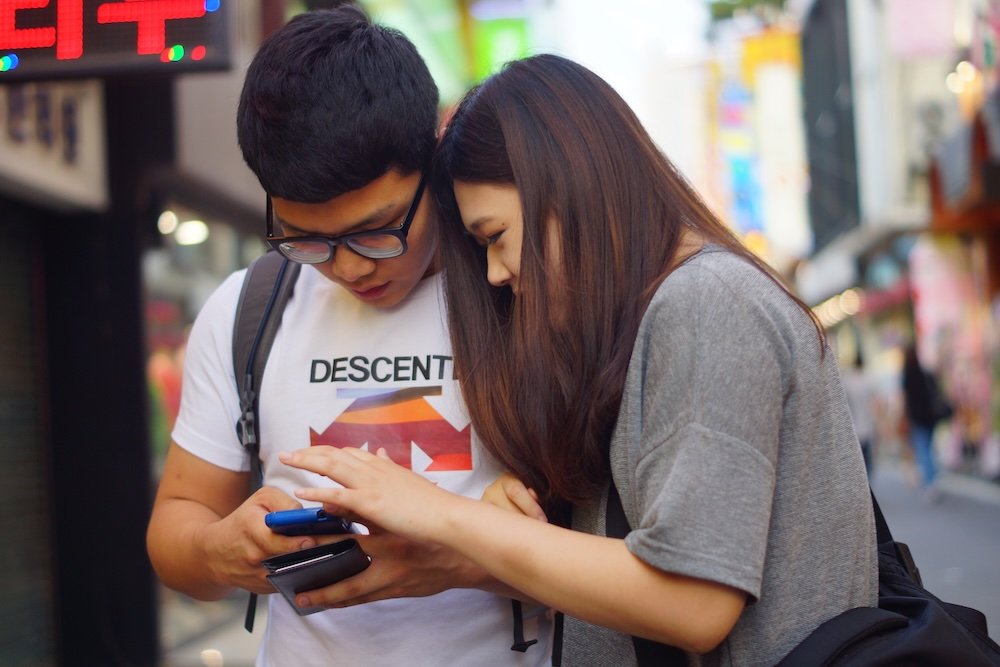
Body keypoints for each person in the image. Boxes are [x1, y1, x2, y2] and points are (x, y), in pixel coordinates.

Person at [277, 54, 878, 665]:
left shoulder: (707, 302)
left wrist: (443, 516)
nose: (495, 271)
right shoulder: (660, 313)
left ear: (565, 184)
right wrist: (499, 543)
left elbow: (693, 602)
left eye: (495, 236)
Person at [145, 8, 551, 666]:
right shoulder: (247, 309)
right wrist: (223, 549)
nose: (349, 265)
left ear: (435, 156)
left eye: (378, 228)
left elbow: (616, 557)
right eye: (306, 239)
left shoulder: (517, 288)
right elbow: (177, 527)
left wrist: (464, 559)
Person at [901, 342, 950, 498]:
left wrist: (905, 417)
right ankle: (933, 478)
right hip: (931, 417)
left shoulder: (907, 375)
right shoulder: (924, 372)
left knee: (923, 449)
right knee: (929, 448)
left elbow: (905, 400)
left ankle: (930, 482)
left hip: (918, 418)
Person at [842, 352, 877, 477]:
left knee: (858, 458)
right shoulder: (867, 381)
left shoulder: (847, 381)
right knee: (867, 458)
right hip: (867, 424)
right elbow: (874, 404)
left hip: (853, 425)